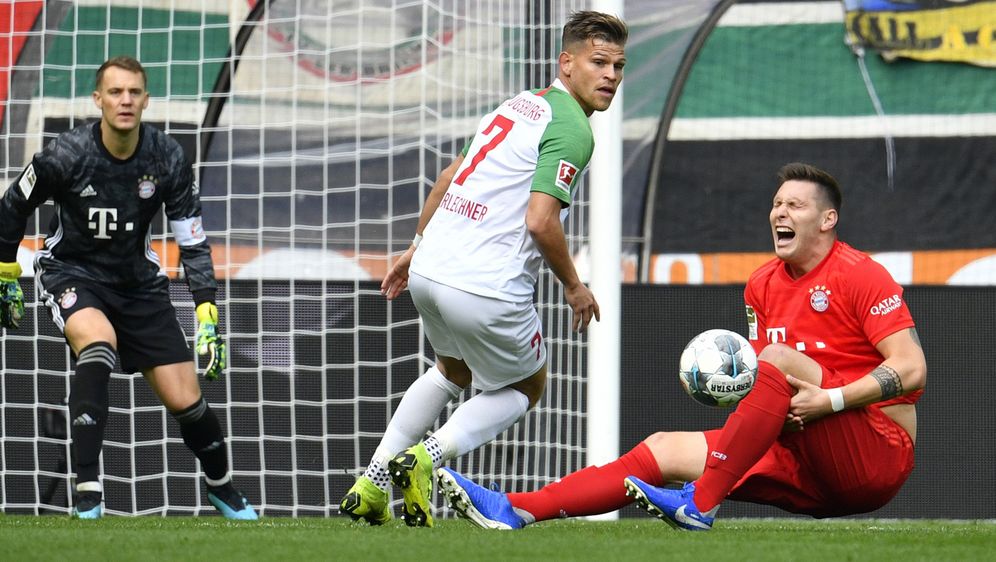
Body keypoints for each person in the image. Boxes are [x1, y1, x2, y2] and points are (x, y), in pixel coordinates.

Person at [436, 162, 927, 530]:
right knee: (661, 449)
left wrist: (829, 401)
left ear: (827, 219)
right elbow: (767, 381)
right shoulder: (761, 284)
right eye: (776, 204)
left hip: (874, 454)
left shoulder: (860, 274)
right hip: (804, 456)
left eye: (795, 206)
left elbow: (911, 369)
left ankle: (701, 503)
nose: (780, 212)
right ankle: (516, 509)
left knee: (774, 359)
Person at [339, 11, 628, 527]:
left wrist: (414, 248)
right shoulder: (573, 128)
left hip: (430, 271)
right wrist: (574, 285)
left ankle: (373, 483)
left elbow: (448, 177)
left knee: (451, 370)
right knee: (527, 386)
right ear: (566, 62)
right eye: (598, 62)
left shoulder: (515, 106)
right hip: (485, 285)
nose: (610, 75)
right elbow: (540, 221)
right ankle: (424, 458)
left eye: (618, 66)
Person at [0, 56, 257, 520]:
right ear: (98, 99)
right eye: (116, 92)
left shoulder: (167, 157)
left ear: (146, 99)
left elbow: (192, 241)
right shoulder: (66, 155)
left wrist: (206, 312)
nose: (125, 101)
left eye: (134, 92)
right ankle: (88, 491)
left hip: (139, 286)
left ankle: (223, 488)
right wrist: (4, 272)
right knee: (98, 346)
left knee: (187, 401)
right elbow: (12, 206)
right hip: (73, 273)